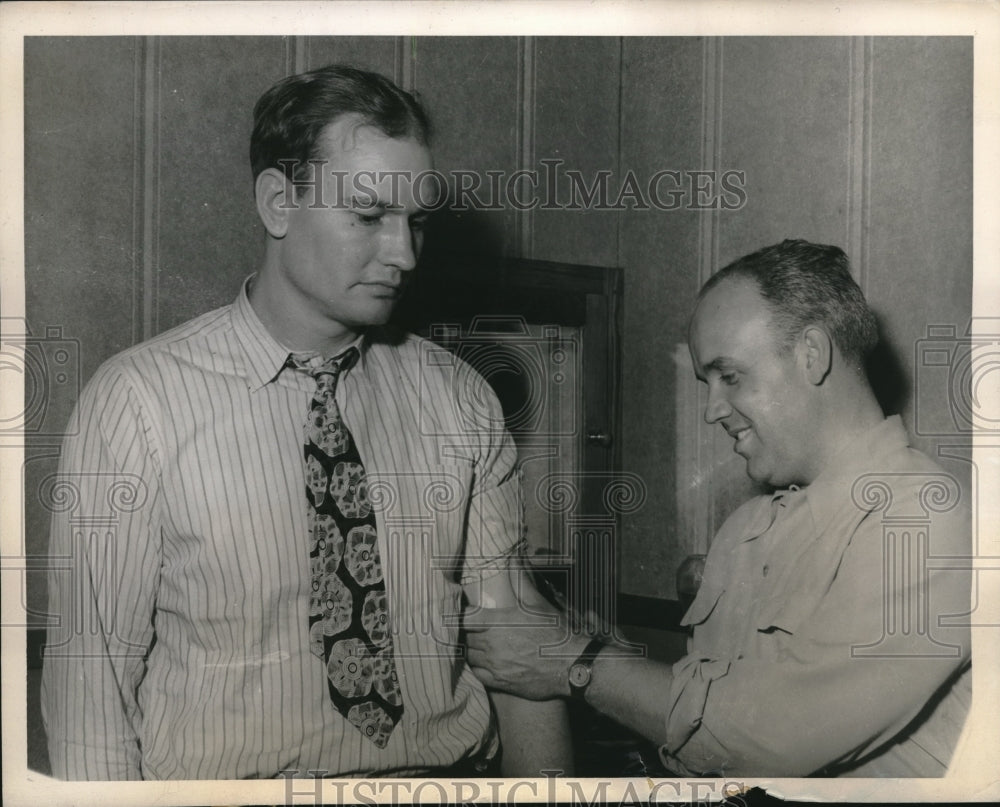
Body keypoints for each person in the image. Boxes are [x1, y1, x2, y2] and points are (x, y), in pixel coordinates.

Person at [41, 64, 570, 780]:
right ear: (277, 203)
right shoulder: (137, 404)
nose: (404, 254)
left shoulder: (460, 399)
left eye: (415, 222)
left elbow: (518, 648)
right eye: (369, 216)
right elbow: (90, 695)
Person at [466, 239, 972, 777]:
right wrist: (601, 652)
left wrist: (578, 662)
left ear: (812, 354)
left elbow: (774, 738)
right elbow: (708, 725)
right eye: (706, 384)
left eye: (730, 377)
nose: (711, 411)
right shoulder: (747, 528)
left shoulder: (924, 522)